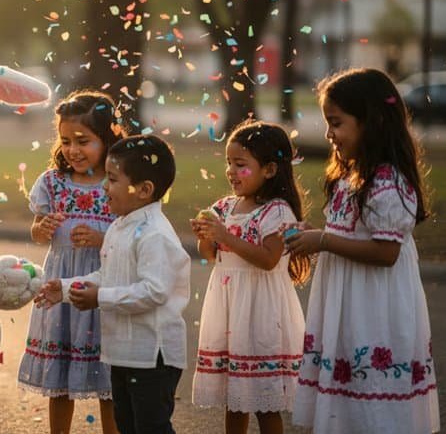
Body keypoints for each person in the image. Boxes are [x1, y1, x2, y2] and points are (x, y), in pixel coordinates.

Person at [287, 68, 439, 434]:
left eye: (336, 123)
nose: (329, 134)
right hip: (348, 304)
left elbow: (386, 253)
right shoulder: (351, 176)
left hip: (374, 307)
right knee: (349, 407)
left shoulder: (387, 181)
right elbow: (348, 232)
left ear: (371, 122)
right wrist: (316, 235)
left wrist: (323, 241)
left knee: (373, 407)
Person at [36, 135, 190, 434]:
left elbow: (154, 291)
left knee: (151, 427)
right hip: (122, 352)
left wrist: (100, 298)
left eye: (113, 179)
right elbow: (106, 274)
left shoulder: (155, 234)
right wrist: (66, 289)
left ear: (144, 190)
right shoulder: (120, 226)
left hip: (152, 356)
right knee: (126, 425)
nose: (104, 186)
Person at [190, 120, 312, 434]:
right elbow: (212, 255)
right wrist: (206, 236)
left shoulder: (277, 211)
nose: (231, 171)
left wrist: (225, 236)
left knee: (263, 402)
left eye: (240, 164)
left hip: (260, 313)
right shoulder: (225, 207)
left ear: (269, 170)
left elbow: (269, 260)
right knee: (235, 397)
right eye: (228, 162)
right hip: (230, 309)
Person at [18, 91, 122, 434]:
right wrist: (42, 228)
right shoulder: (53, 183)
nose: (73, 150)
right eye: (65, 141)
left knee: (109, 382)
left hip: (102, 286)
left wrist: (100, 238)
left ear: (107, 138)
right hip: (60, 287)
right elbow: (37, 232)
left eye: (83, 141)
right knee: (59, 379)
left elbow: (131, 240)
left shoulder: (118, 185)